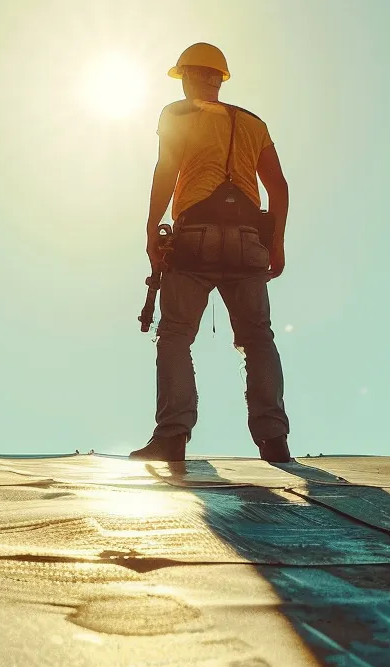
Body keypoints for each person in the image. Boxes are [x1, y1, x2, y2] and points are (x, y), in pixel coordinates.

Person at [130, 43, 292, 463]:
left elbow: (167, 170)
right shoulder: (254, 123)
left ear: (189, 76)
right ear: (219, 78)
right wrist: (275, 243)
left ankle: (172, 437)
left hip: (195, 239)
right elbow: (278, 187)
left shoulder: (178, 114)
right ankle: (274, 440)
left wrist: (151, 230)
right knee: (258, 338)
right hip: (247, 242)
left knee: (176, 335)